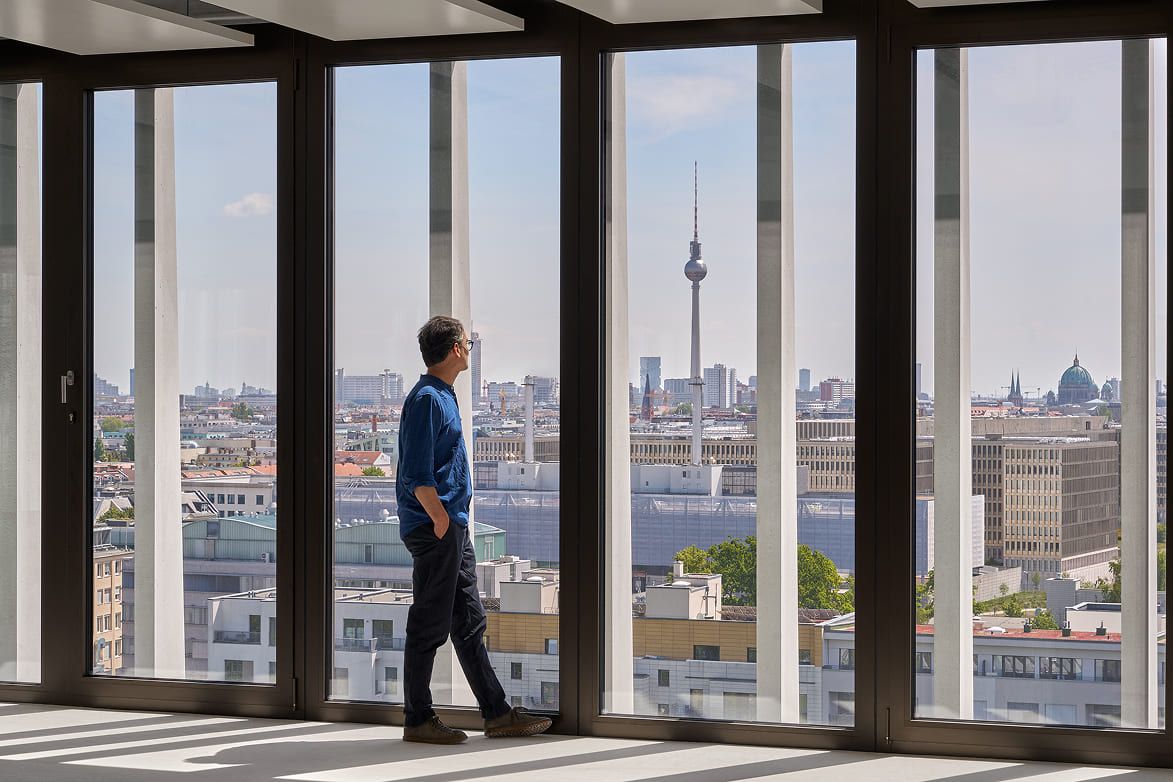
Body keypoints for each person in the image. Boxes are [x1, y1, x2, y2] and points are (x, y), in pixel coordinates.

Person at [396, 315, 553, 744]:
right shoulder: (427, 399)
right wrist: (440, 519)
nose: (470, 349)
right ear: (455, 349)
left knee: (469, 621)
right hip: (436, 527)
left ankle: (497, 713)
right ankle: (417, 719)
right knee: (429, 623)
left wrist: (451, 522)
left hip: (451, 527)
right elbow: (416, 472)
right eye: (468, 343)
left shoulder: (442, 395)